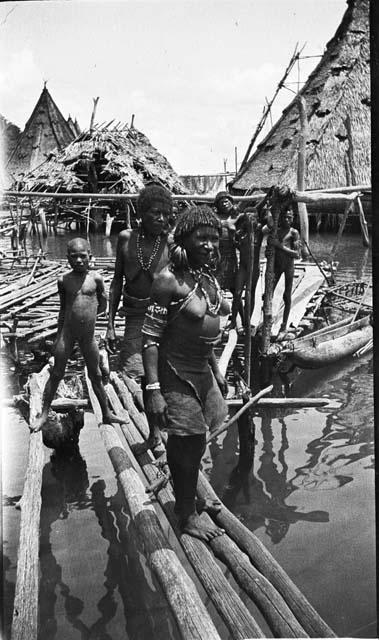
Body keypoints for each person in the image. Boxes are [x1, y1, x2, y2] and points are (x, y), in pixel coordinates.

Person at [142, 205, 230, 541]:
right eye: (201, 237)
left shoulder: (206, 278)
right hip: (174, 371)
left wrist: (217, 371)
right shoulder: (168, 281)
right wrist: (153, 389)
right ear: (184, 238)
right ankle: (186, 515)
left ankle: (191, 493)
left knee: (200, 437)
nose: (209, 245)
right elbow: (149, 339)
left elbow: (205, 333)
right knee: (187, 439)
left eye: (213, 238)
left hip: (202, 370)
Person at [105, 182, 173, 450]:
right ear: (141, 213)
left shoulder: (170, 242)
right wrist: (110, 326)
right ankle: (155, 432)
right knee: (143, 374)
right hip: (134, 315)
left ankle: (167, 428)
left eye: (165, 213)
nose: (161, 218)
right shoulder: (125, 238)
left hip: (163, 316)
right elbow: (116, 282)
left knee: (163, 372)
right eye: (154, 212)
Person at [33, 238, 122, 431]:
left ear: (90, 256)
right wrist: (57, 337)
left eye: (83, 256)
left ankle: (106, 413)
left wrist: (95, 317)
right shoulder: (63, 280)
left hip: (88, 336)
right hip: (67, 332)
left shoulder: (96, 279)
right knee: (57, 373)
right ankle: (44, 414)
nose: (79, 260)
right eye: (74, 257)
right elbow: (63, 310)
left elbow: (103, 302)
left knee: (96, 375)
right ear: (68, 259)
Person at [269, 206, 300, 336]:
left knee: (287, 296)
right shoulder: (276, 231)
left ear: (293, 219)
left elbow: (297, 254)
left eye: (289, 217)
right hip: (276, 266)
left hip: (288, 266)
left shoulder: (294, 233)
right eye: (285, 217)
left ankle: (284, 326)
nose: (287, 219)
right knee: (268, 294)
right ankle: (267, 321)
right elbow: (270, 250)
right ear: (281, 218)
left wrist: (279, 246)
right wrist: (271, 248)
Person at [213, 191, 238, 293]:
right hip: (217, 252)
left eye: (226, 201)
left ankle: (238, 308)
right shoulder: (214, 217)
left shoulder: (236, 217)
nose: (224, 204)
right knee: (216, 283)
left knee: (234, 285)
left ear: (231, 203)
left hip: (231, 253)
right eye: (221, 202)